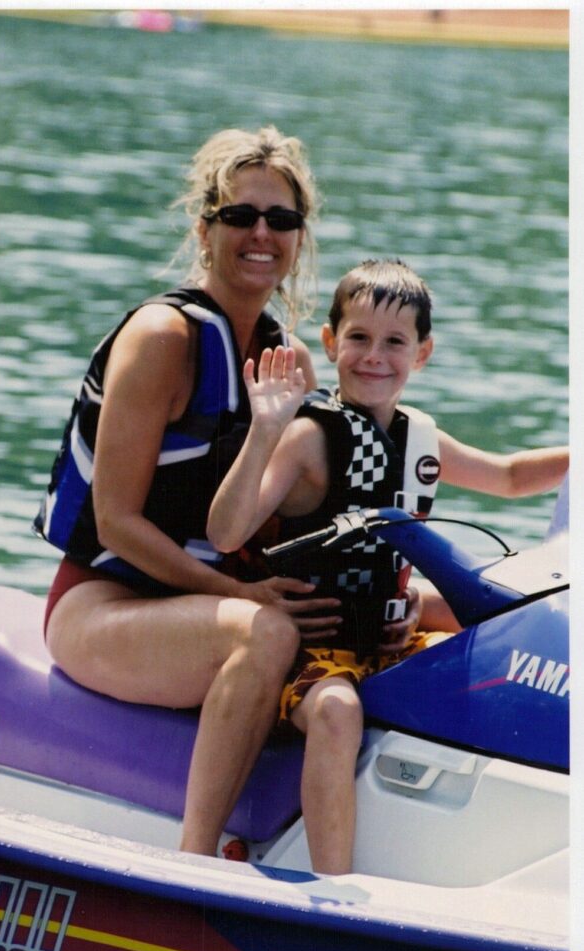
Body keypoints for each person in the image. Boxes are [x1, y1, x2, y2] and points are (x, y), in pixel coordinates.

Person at [33, 125, 345, 860]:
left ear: (300, 239)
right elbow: (115, 524)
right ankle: (196, 859)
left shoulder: (285, 359)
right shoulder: (161, 338)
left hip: (211, 602)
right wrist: (239, 596)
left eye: (281, 220)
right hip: (101, 605)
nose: (261, 234)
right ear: (205, 229)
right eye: (241, 216)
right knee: (266, 631)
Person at [207, 257, 569, 874]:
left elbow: (508, 477)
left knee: (499, 654)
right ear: (330, 343)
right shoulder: (308, 437)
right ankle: (331, 884)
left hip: (390, 639)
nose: (375, 356)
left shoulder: (419, 439)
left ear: (422, 354)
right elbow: (225, 531)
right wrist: (265, 429)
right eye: (359, 339)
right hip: (316, 649)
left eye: (395, 342)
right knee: (339, 712)